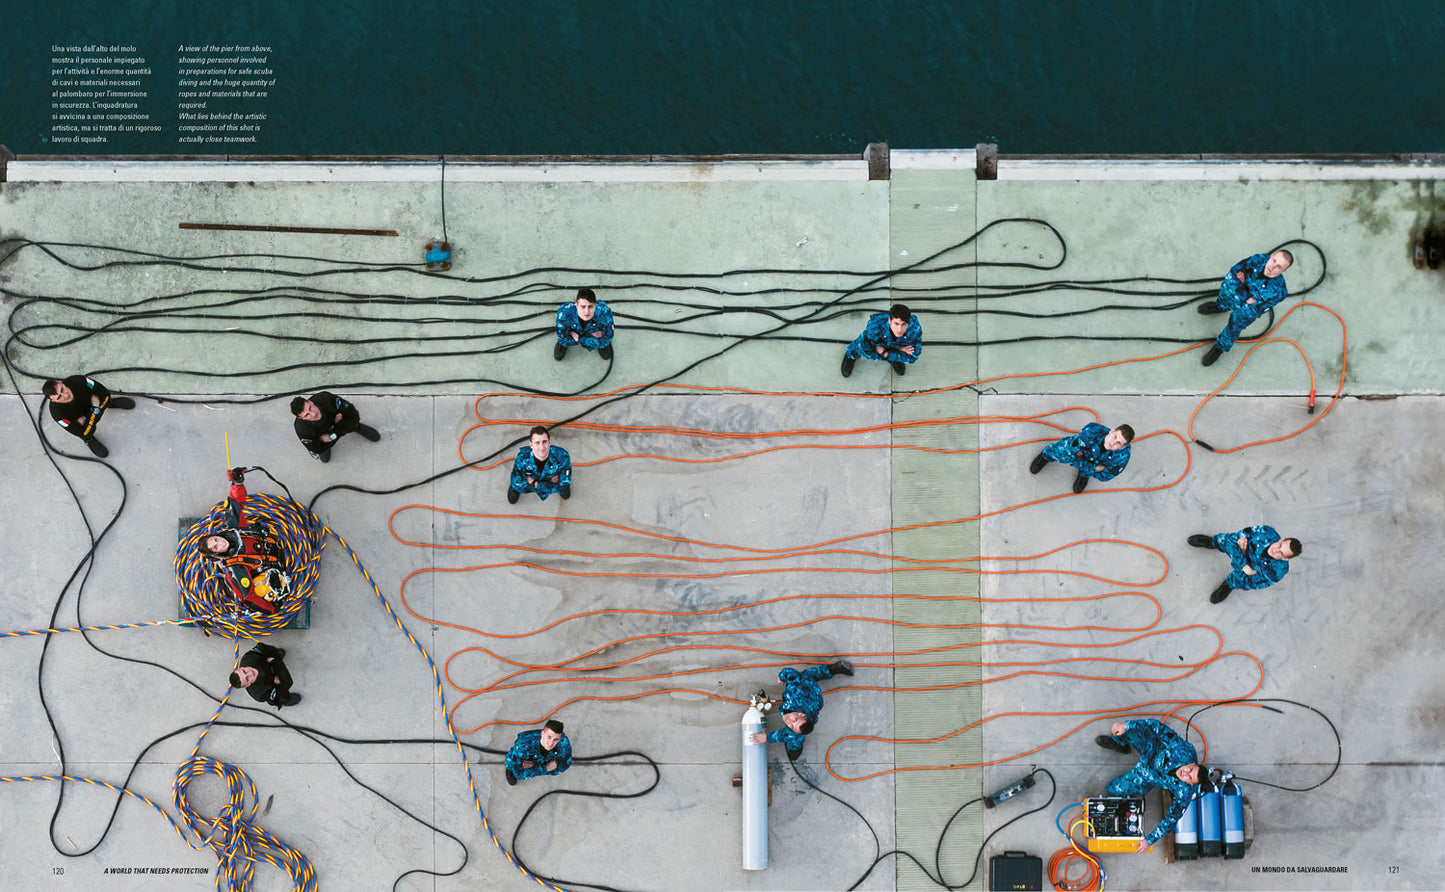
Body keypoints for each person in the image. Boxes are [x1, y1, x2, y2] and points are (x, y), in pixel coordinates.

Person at [1095, 719, 1203, 852]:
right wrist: (1125, 726)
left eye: (1190, 778)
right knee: (1127, 731)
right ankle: (1121, 743)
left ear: (1190, 783)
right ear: (1192, 764)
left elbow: (1172, 819)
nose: (1185, 773)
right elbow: (1156, 726)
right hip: (1151, 750)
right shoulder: (1183, 750)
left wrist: (1149, 840)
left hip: (1146, 776)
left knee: (1113, 788)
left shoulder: (1185, 792)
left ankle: (1139, 784)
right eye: (1190, 769)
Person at [201, 467, 292, 616]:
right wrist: (273, 609)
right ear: (216, 554)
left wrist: (237, 482)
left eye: (216, 540)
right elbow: (248, 597)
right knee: (259, 589)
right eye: (216, 547)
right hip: (276, 569)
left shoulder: (234, 529)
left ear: (218, 535)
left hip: (274, 546)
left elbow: (235, 503)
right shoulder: (234, 569)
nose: (220, 543)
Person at [1198, 249, 1293, 366]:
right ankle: (1220, 307)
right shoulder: (1258, 260)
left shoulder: (1279, 292)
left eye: (1279, 267)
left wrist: (1242, 285)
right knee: (1225, 297)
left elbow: (1256, 310)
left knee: (1233, 329)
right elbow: (1232, 275)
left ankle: (1219, 348)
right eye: (1274, 260)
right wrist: (1248, 297)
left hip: (1244, 313)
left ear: (1284, 271)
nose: (1272, 267)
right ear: (1271, 257)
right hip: (1232, 295)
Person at [747, 661, 854, 760]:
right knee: (808, 676)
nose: (789, 722)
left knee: (795, 739)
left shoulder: (797, 728)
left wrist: (767, 737)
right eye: (794, 720)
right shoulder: (793, 692)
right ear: (800, 714)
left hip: (813, 697)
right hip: (807, 684)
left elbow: (786, 734)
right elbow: (789, 672)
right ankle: (834, 668)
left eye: (792, 726)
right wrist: (782, 677)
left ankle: (835, 668)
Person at [1187, 526, 1301, 604]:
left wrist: (1242, 558)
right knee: (1226, 541)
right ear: (1281, 539)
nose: (1276, 550)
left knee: (1241, 580)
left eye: (1281, 553)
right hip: (1244, 560)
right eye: (1280, 545)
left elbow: (1251, 583)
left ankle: (1229, 585)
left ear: (1285, 558)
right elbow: (1235, 539)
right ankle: (1212, 542)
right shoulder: (1266, 532)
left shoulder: (1278, 571)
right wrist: (1243, 561)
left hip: (1244, 569)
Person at [43, 375, 136, 458]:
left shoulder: (79, 380)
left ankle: (110, 404)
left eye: (62, 389)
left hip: (87, 416)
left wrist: (89, 419)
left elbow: (105, 395)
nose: (65, 395)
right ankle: (90, 440)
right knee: (87, 435)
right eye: (59, 397)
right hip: (93, 405)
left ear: (61, 382)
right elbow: (83, 433)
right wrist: (96, 408)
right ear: (54, 401)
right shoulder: (58, 415)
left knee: (106, 400)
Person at [1030, 422, 1134, 493]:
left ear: (1123, 446)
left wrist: (1089, 468)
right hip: (1082, 454)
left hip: (1090, 459)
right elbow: (1071, 453)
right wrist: (1094, 468)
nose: (1112, 442)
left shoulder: (1122, 457)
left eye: (1118, 443)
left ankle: (1084, 475)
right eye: (1115, 436)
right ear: (1111, 431)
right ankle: (1046, 456)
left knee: (1091, 469)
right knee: (1061, 451)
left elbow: (1106, 476)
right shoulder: (1091, 432)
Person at [290, 392, 381, 463]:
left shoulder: (325, 399)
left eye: (310, 408)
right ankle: (326, 447)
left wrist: (334, 434)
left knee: (353, 423)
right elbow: (315, 448)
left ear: (310, 402)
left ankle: (357, 428)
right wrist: (321, 440)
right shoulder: (302, 428)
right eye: (307, 415)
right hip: (325, 435)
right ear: (301, 418)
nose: (313, 414)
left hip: (336, 428)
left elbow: (353, 414)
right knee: (321, 449)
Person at [841, 304, 922, 377]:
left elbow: (913, 357)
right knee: (860, 347)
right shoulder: (875, 326)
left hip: (892, 347)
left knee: (905, 351)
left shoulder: (914, 328)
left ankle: (894, 358)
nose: (899, 329)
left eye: (903, 324)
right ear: (889, 321)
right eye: (896, 324)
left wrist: (887, 354)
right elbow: (867, 348)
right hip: (878, 344)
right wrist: (889, 352)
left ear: (908, 323)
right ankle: (850, 355)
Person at [508, 426, 572, 503]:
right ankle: (517, 490)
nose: (541, 447)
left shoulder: (562, 455)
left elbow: (565, 481)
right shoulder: (522, 457)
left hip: (533, 480)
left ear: (549, 442)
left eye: (544, 442)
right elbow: (516, 481)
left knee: (564, 488)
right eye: (537, 443)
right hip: (549, 481)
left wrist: (533, 483)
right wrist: (548, 484)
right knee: (517, 486)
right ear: (531, 445)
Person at [229, 641, 301, 708]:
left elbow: (263, 647)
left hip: (270, 664)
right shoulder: (260, 694)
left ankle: (277, 655)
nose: (250, 673)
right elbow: (288, 683)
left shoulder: (248, 658)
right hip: (274, 684)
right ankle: (287, 701)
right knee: (281, 698)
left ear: (241, 667)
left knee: (272, 652)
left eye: (244, 671)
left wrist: (274, 656)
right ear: (248, 685)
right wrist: (276, 663)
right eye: (247, 679)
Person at [503, 719, 573, 785]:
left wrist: (536, 766)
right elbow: (519, 774)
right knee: (511, 762)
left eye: (556, 739)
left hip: (541, 759)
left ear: (560, 738)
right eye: (549, 737)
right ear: (542, 734)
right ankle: (509, 768)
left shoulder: (564, 742)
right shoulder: (523, 744)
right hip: (524, 755)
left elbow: (565, 765)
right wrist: (545, 768)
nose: (551, 743)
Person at [555, 287, 614, 361]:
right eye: (583, 306)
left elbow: (607, 338)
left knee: (605, 347)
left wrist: (579, 338)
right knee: (564, 340)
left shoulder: (605, 313)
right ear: (576, 305)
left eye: (590, 306)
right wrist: (572, 333)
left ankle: (600, 345)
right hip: (577, 331)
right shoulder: (564, 313)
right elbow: (562, 338)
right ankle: (563, 346)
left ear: (595, 305)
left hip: (592, 330)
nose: (586, 311)